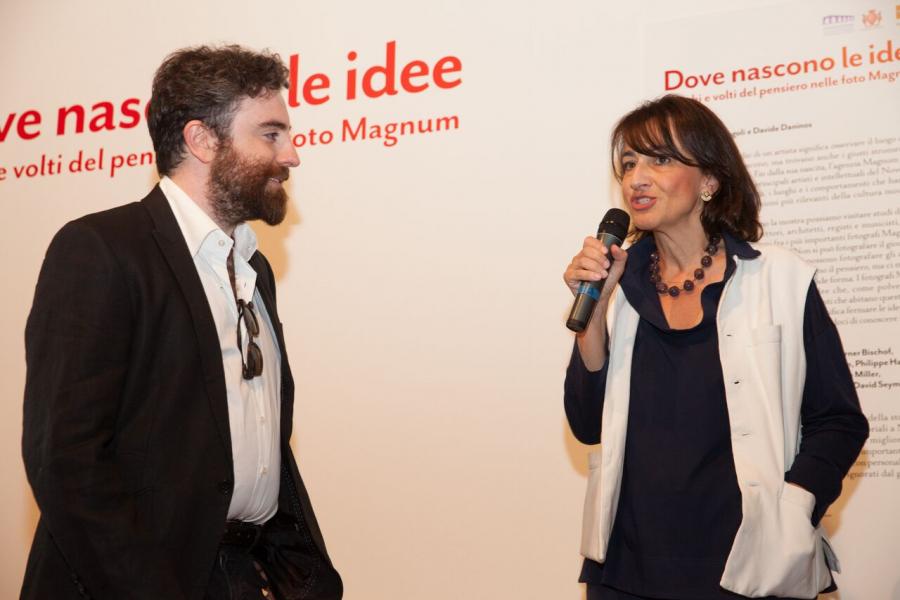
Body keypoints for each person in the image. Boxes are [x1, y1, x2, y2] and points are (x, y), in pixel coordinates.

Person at [22, 45, 342, 600]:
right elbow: (66, 460)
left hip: (242, 576)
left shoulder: (255, 268)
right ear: (202, 140)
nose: (292, 155)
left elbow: (256, 439)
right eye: (270, 134)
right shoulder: (100, 249)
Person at [563, 95, 868, 600]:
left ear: (709, 180)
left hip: (748, 564)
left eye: (660, 159)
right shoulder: (620, 287)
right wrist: (593, 313)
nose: (637, 178)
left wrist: (795, 507)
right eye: (629, 164)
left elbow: (839, 421)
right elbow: (586, 424)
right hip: (626, 569)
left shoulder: (779, 279)